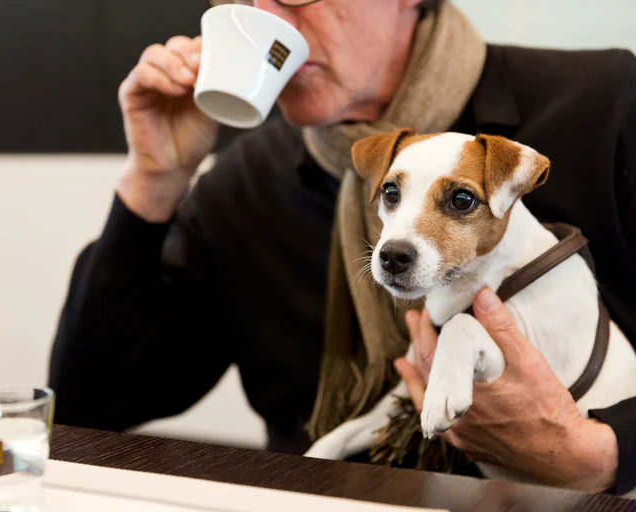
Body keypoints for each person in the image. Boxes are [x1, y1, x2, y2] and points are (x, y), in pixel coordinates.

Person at [48, 0, 636, 496]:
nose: (270, 18)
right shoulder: (242, 184)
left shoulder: (606, 105)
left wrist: (601, 454)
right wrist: (154, 183)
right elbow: (92, 406)